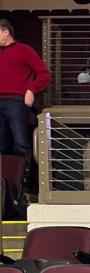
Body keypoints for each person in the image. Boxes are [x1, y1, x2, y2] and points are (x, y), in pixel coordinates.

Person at [0, 18, 50, 184]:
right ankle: (5, 187)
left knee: (20, 143)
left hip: (15, 102)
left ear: (5, 32)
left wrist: (31, 89)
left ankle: (24, 185)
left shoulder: (24, 50)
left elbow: (44, 74)